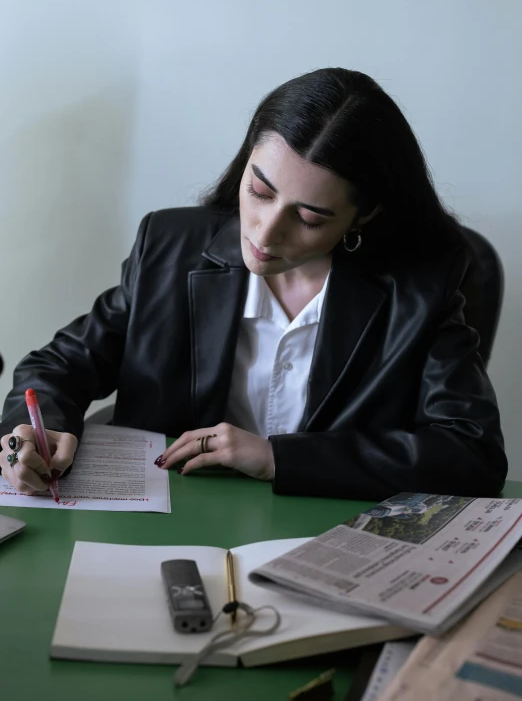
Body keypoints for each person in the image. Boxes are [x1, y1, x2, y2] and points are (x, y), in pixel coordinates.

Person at [0, 68, 508, 500]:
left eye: (309, 218)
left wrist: (276, 458)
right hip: (173, 526)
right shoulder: (169, 248)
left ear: (363, 216)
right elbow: (59, 365)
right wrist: (32, 429)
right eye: (260, 191)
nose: (265, 232)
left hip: (325, 536)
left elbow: (471, 453)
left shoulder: (421, 286)